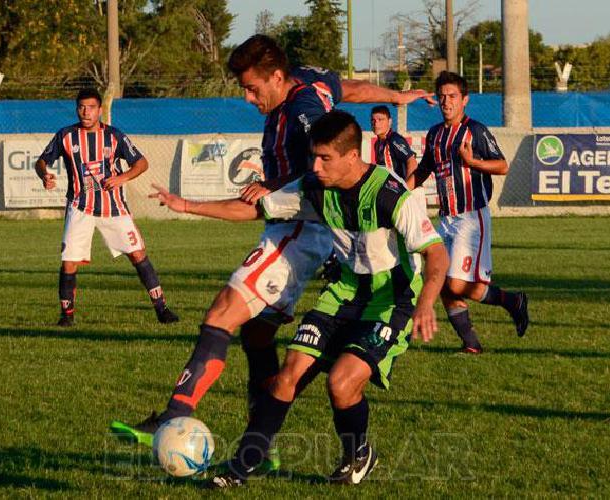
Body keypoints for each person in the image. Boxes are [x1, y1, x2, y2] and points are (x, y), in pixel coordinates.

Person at [109, 35, 435, 469]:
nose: (248, 98)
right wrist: (397, 96)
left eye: (252, 88)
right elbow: (349, 88)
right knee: (257, 334)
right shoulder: (310, 81)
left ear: (277, 77)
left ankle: (174, 415)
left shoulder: (302, 114)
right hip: (303, 227)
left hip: (297, 229)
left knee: (223, 311)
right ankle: (262, 447)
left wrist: (280, 185)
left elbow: (325, 159)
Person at [148, 110, 448, 488]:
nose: (316, 166)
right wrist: (186, 205)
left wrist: (425, 305)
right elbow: (255, 208)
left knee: (341, 383)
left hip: (390, 301)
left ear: (352, 157)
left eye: (325, 158)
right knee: (286, 375)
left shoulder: (391, 196)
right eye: (313, 157)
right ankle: (240, 470)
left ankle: (358, 453)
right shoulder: (314, 187)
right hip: (343, 293)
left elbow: (436, 253)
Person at [34, 88, 179, 327]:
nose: (85, 112)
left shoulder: (114, 136)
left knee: (138, 254)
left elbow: (141, 163)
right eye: (81, 107)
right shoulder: (66, 136)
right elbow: (42, 160)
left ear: (100, 110)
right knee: (69, 261)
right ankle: (66, 316)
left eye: (91, 107)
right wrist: (44, 175)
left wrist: (122, 178)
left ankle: (162, 309)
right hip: (80, 207)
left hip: (114, 208)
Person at [411, 71, 530, 354]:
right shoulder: (435, 134)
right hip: (446, 218)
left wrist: (472, 161)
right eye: (442, 97)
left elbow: (502, 165)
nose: (446, 102)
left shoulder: (474, 130)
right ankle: (471, 344)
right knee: (440, 280)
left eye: (452, 96)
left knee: (454, 282)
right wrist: (399, 195)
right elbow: (424, 169)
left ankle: (512, 301)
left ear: (465, 100)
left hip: (471, 217)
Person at [369, 105, 418, 181]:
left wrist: (406, 188)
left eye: (380, 120)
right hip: (392, 188)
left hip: (407, 190)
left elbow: (412, 163)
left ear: (390, 121)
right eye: (373, 120)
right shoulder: (377, 144)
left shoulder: (395, 140)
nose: (376, 124)